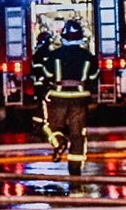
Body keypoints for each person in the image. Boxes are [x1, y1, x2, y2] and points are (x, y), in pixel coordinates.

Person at [38, 19, 97, 175]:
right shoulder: (88, 56)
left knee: (51, 127)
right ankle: (75, 169)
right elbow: (94, 75)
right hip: (80, 97)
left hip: (59, 96)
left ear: (63, 36)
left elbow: (48, 74)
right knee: (78, 134)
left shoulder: (54, 55)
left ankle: (60, 142)